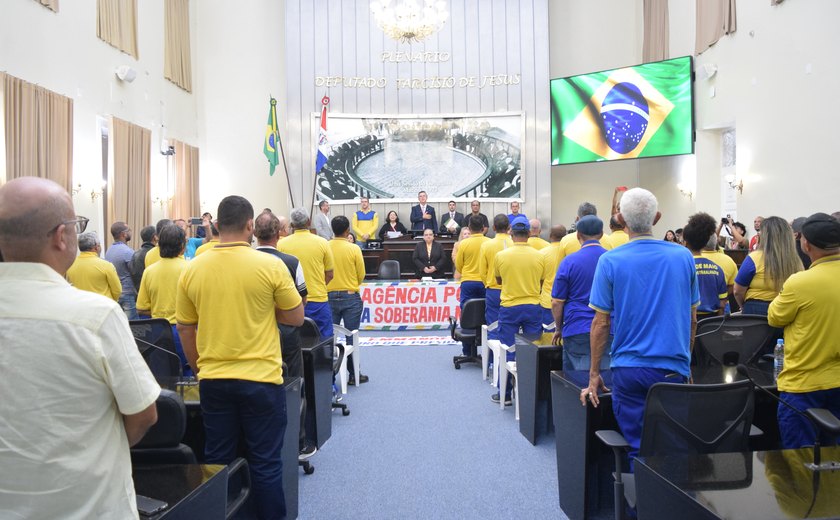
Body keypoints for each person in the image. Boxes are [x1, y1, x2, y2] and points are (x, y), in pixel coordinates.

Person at [0, 177, 159, 519]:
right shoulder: (96, 316)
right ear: (61, 236)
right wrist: (96, 452)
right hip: (88, 505)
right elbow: (143, 414)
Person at [177, 195, 304, 520]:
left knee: (217, 462)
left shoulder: (193, 269)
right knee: (266, 464)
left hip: (214, 382)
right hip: (261, 381)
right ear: (250, 226)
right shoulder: (270, 265)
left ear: (217, 225)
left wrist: (198, 368)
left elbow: (186, 328)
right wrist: (264, 309)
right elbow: (295, 317)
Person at [581, 188, 699, 464]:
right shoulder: (683, 258)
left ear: (620, 219)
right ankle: (671, 504)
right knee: (672, 446)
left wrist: (594, 374)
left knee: (638, 448)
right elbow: (692, 319)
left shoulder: (609, 260)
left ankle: (642, 506)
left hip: (629, 370)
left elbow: (600, 323)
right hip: (672, 369)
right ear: (657, 218)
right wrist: (687, 362)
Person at [768, 213, 840, 449]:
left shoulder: (800, 282)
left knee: (800, 465)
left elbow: (774, 317)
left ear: (806, 244)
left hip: (804, 385)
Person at [254, 210, 316, 461]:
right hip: (287, 334)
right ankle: (298, 444)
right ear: (280, 233)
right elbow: (301, 301)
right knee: (293, 385)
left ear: (254, 233)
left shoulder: (244, 260)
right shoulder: (290, 262)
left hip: (254, 334)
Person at [492, 216, 545, 405]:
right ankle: (532, 394)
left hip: (509, 307)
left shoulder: (501, 256)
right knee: (533, 350)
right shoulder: (540, 255)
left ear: (511, 233)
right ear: (529, 234)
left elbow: (499, 281)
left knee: (507, 349)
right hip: (532, 306)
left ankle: (504, 394)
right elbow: (540, 282)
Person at [551, 215, 612, 370]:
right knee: (606, 378)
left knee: (576, 381)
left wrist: (558, 328)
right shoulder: (612, 260)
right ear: (601, 234)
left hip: (577, 327)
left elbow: (557, 302)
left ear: (578, 235)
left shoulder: (569, 262)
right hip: (609, 328)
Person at [136, 223, 193, 376]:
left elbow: (141, 308)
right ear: (182, 245)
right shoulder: (190, 269)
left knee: (163, 377)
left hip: (158, 331)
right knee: (188, 375)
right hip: (186, 330)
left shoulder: (149, 271)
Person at [279, 207, 335, 338]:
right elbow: (330, 274)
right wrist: (319, 285)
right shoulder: (322, 242)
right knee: (324, 340)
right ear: (309, 222)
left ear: (292, 225)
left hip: (291, 300)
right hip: (318, 299)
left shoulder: (281, 244)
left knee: (294, 341)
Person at [327, 215, 368, 384]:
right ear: (347, 231)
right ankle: (353, 375)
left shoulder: (325, 246)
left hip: (328, 295)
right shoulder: (354, 248)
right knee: (352, 336)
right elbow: (361, 274)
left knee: (329, 337)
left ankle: (329, 376)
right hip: (350, 296)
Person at [734, 216, 803, 316]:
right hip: (785, 309)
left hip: (756, 311)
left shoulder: (754, 258)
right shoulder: (795, 261)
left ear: (765, 236)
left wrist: (744, 307)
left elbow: (737, 291)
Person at [454, 215, 490, 355]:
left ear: (469, 228)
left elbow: (458, 265)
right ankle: (488, 352)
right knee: (486, 313)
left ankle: (467, 351)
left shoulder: (464, 244)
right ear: (483, 228)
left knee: (467, 312)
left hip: (468, 282)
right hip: (485, 282)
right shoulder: (489, 242)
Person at [683, 213, 727, 318]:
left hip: (688, 317)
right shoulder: (717, 269)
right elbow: (722, 303)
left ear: (685, 243)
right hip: (712, 322)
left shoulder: (683, 268)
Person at [479, 214, 512, 342]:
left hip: (493, 289)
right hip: (512, 290)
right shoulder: (514, 243)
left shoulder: (486, 245)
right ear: (509, 227)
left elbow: (482, 272)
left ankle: (493, 360)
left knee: (493, 326)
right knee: (511, 326)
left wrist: (488, 283)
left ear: (493, 227)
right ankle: (510, 359)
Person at [66, 231, 122, 301]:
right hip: (103, 306)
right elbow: (117, 290)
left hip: (81, 307)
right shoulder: (106, 265)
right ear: (96, 247)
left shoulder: (70, 265)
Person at [105, 221, 138, 319]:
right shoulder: (127, 252)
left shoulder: (109, 250)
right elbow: (135, 273)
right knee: (133, 326)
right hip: (128, 295)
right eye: (129, 230)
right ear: (123, 234)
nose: (130, 232)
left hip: (116, 293)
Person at [538, 224, 567, 337]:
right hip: (565, 299)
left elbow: (539, 279)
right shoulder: (569, 252)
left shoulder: (542, 253)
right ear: (565, 236)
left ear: (550, 236)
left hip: (547, 300)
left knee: (548, 336)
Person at [131, 224, 156, 289]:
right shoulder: (154, 254)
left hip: (137, 292)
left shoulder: (135, 254)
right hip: (149, 291)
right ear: (155, 237)